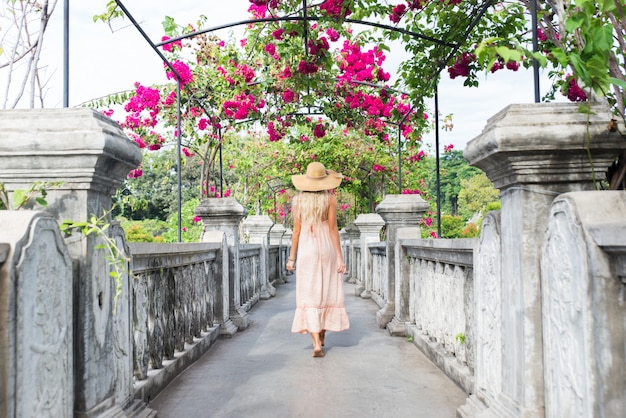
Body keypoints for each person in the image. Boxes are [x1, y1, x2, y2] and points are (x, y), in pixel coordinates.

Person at [286, 161, 350, 358]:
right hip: (326, 249)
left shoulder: (298, 201)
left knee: (310, 294)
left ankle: (316, 344)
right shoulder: (329, 200)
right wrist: (340, 257)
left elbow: (296, 231)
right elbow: (332, 229)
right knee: (326, 292)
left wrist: (291, 258)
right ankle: (322, 336)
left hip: (306, 250)